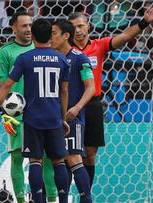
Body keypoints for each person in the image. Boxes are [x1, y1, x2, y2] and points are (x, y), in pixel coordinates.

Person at [68, 4, 153, 189]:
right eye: (73, 27)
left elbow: (125, 36)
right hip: (70, 106)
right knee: (68, 153)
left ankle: (85, 194)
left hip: (93, 105)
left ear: (88, 25)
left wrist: (144, 22)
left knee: (90, 153)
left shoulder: (98, 45)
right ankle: (62, 193)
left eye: (81, 25)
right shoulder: (63, 50)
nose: (78, 30)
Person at [0, 18, 70, 203]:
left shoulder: (25, 58)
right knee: (57, 161)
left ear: (33, 35)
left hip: (32, 118)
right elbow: (64, 91)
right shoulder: (61, 59)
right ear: (50, 35)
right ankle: (62, 200)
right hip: (53, 117)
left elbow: (6, 85)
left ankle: (38, 199)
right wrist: (63, 117)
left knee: (35, 161)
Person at [51, 19, 95, 203]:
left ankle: (86, 199)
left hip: (73, 118)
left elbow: (90, 87)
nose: (51, 37)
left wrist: (77, 108)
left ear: (65, 36)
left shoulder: (79, 58)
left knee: (74, 157)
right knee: (58, 161)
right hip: (53, 118)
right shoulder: (51, 57)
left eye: (54, 33)